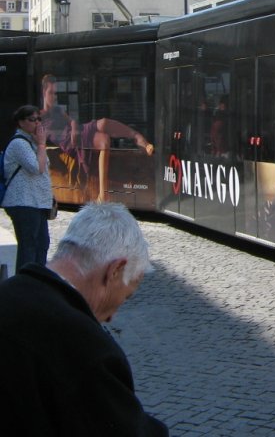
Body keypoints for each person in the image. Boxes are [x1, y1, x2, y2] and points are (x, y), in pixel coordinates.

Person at [0, 202, 169, 436]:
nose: (112, 317)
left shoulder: (7, 294)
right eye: (125, 296)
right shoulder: (85, 348)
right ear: (115, 270)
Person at [40, 74, 154, 202]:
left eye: (55, 93)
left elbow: (72, 122)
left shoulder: (58, 110)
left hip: (77, 133)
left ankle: (137, 137)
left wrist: (74, 130)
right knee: (103, 131)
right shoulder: (40, 116)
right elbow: (40, 138)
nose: (54, 97)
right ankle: (137, 137)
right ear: (44, 92)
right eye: (51, 93)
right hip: (70, 143)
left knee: (105, 135)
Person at [2, 105, 53, 270]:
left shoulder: (33, 142)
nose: (37, 123)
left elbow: (45, 169)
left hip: (38, 202)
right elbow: (36, 168)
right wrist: (42, 145)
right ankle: (24, 286)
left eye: (39, 119)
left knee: (42, 245)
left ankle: (37, 282)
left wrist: (50, 197)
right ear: (21, 122)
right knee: (28, 248)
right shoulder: (19, 143)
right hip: (23, 202)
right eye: (32, 120)